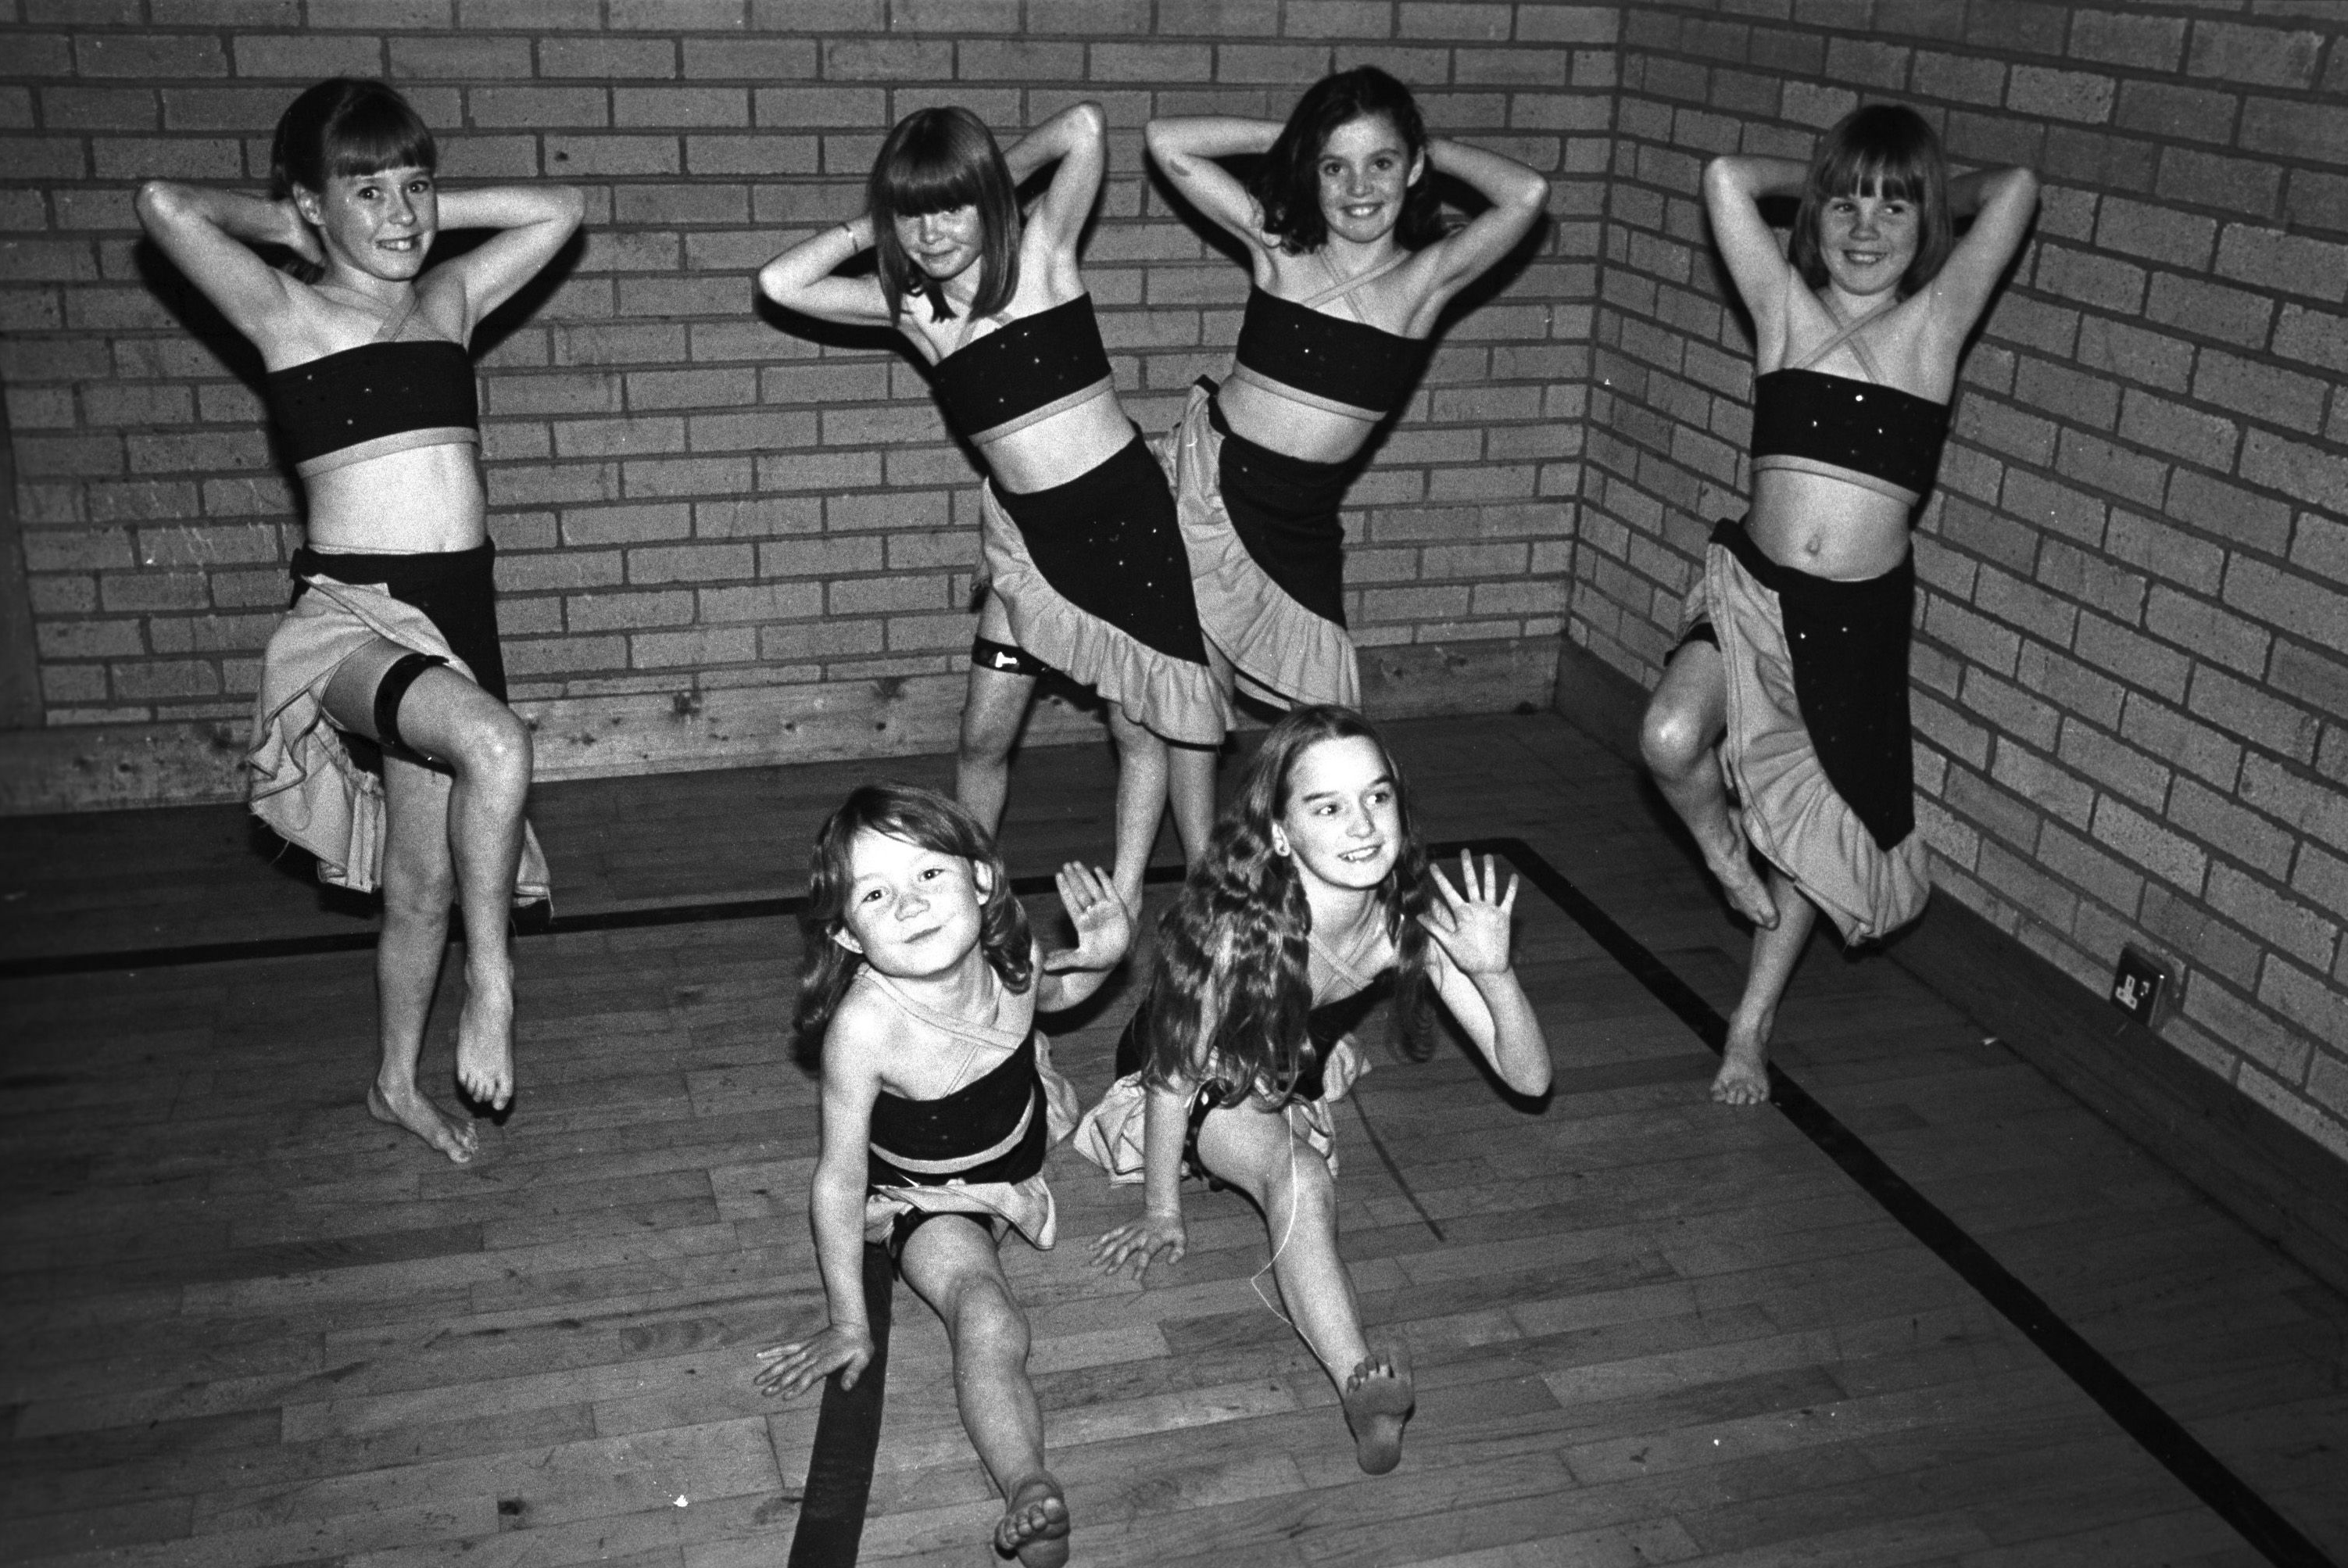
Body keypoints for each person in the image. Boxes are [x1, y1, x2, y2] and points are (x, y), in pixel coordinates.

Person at [135, 79, 582, 1162]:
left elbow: (559, 210)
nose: (402, 215)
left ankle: (393, 1083)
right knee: (496, 744)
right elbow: (164, 204)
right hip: (350, 615)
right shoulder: (284, 314)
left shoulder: (447, 304)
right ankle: (494, 984)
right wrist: (292, 220)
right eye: (368, 192)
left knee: (423, 884)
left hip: (458, 612)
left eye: (415, 188)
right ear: (311, 206)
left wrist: (421, 208)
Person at [1638, 105, 2037, 1106]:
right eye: (1845, 205)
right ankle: (1727, 855)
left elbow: (2018, 189)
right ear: (1814, 217)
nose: (1866, 227)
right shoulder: (1785, 314)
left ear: (1930, 225)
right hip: (1754, 592)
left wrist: (1918, 190)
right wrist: (1833, 177)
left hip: (1853, 623)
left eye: (1894, 207)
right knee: (1668, 735)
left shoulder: (1934, 325)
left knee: (1823, 831)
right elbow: (1729, 172)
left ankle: (1751, 1024)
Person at [757, 104, 1226, 913]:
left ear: (989, 201)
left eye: (952, 206)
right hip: (1034, 550)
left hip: (1127, 527)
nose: (932, 231)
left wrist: (984, 187)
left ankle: (1123, 894)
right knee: (982, 734)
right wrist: (876, 227)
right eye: (911, 212)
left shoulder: (1044, 256)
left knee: (1136, 728)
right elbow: (779, 282)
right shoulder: (919, 315)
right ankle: (966, 890)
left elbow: (1083, 127)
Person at [1084, 705, 1552, 1475]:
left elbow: (1530, 1079)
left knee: (1301, 1129)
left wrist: (1496, 975)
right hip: (1187, 1078)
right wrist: (1162, 1208)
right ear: (1281, 831)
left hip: (1277, 1060)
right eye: (1327, 807)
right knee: (1300, 1175)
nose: (1363, 824)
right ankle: (1357, 1379)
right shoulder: (1230, 933)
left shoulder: (1413, 915)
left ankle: (1367, 1402)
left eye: (1377, 797)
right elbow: (1170, 1080)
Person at [755, 785, 1133, 1568]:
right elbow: (837, 1179)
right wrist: (848, 1319)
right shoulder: (865, 1028)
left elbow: (1055, 993)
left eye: (929, 875)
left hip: (1017, 1146)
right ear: (846, 934)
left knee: (1036, 1060)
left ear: (983, 882)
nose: (910, 905)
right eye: (876, 893)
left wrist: (1102, 957)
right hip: (934, 1199)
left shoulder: (1010, 955)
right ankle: (1028, 1482)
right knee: (987, 1313)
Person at [1143, 68, 1548, 711]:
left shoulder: (1424, 281)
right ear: (1311, 171)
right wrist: (1302, 136)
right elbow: (1167, 141)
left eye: (1381, 163)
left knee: (1322, 721)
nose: (1359, 188)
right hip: (1206, 484)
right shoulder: (1281, 250)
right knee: (1189, 704)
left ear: (1412, 169)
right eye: (1334, 168)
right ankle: (1196, 819)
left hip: (1298, 521)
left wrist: (1421, 145)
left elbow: (1525, 193)